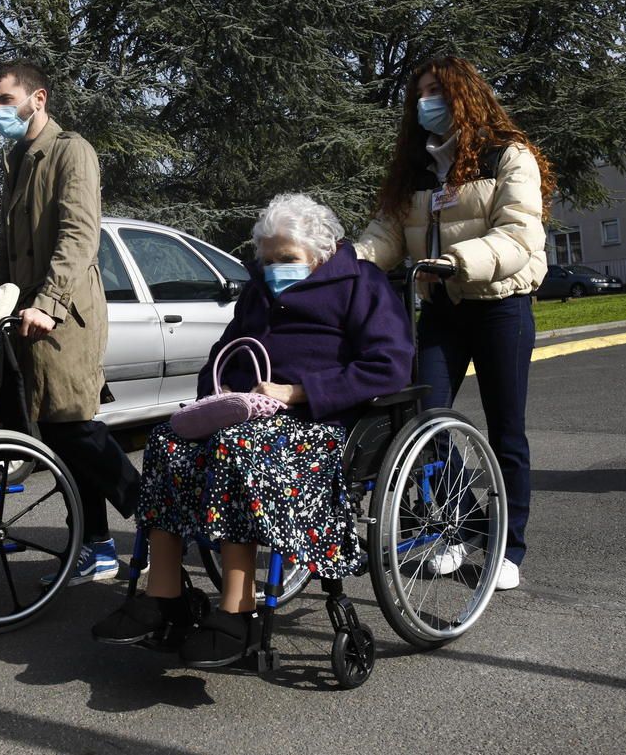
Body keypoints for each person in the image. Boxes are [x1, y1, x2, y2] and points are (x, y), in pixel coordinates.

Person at [92, 194, 412, 666]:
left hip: (321, 423)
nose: (275, 269)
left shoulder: (360, 284)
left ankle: (238, 608)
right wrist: (216, 398)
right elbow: (224, 352)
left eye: (287, 260)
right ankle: (165, 594)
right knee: (168, 440)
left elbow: (389, 366)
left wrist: (298, 392)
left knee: (235, 448)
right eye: (267, 260)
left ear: (322, 252)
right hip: (252, 416)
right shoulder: (260, 290)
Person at [354, 55, 554, 591]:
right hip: (442, 306)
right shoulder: (415, 168)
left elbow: (519, 236)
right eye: (419, 93)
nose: (426, 102)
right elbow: (387, 234)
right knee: (425, 417)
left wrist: (458, 260)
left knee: (505, 429)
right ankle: (456, 525)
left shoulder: (508, 156)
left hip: (500, 305)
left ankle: (508, 546)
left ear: (464, 95)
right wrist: (346, 260)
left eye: (436, 91)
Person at [0, 60, 140, 585]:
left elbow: (79, 235)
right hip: (26, 316)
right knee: (54, 431)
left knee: (75, 425)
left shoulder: (71, 150)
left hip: (64, 314)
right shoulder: (17, 159)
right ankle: (96, 545)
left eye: (6, 100)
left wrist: (47, 302)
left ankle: (156, 515)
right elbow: (6, 247)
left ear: (38, 98)